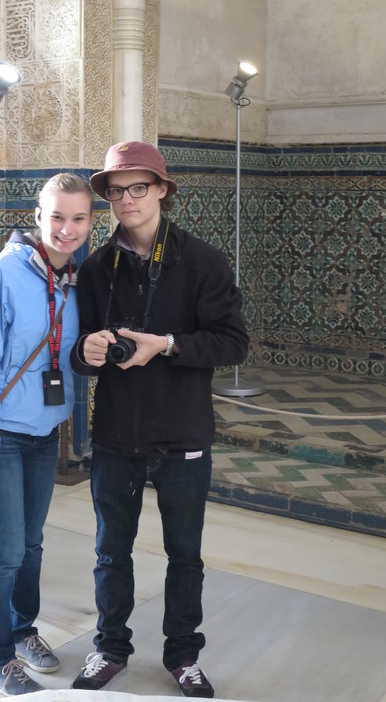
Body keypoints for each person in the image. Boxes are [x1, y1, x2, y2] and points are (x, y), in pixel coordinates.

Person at [70, 142, 249, 698]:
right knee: (110, 553)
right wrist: (87, 351)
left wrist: (167, 344)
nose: (126, 199)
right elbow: (80, 350)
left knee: (185, 556)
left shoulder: (203, 261)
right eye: (115, 191)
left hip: (182, 433)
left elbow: (234, 343)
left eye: (138, 187)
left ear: (163, 190)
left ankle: (183, 655)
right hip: (116, 433)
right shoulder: (97, 268)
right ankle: (110, 648)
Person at [0, 173, 95, 696]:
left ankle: (21, 630)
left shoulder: (76, 279)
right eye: (56, 216)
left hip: (43, 434)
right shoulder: (1, 275)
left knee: (31, 545)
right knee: (5, 550)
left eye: (78, 218)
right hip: (0, 435)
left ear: (90, 222)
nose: (66, 228)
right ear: (38, 217)